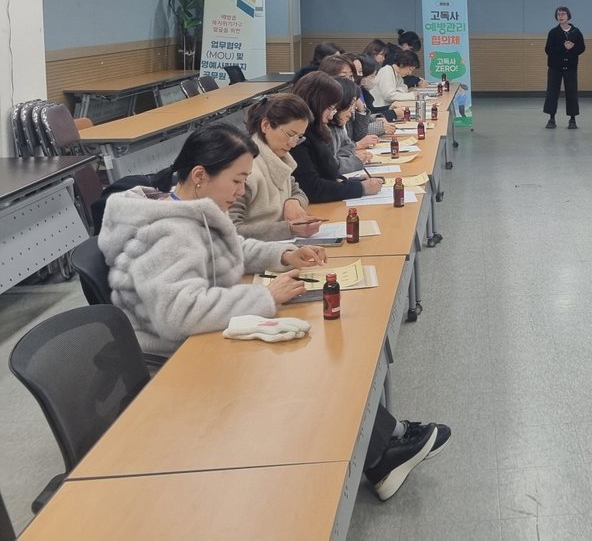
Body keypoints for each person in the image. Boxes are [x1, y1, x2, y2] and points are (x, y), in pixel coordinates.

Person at [98, 124, 449, 500]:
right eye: (237, 180)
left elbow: (235, 247)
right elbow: (179, 313)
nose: (241, 191)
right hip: (176, 359)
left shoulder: (190, 208)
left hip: (202, 337)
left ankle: (387, 445)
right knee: (306, 365)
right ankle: (383, 455)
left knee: (313, 355)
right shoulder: (166, 233)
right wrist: (264, 296)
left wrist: (284, 254)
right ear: (200, 175)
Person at [228, 93, 323, 241]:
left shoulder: (280, 159)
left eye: (299, 137)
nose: (293, 143)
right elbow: (231, 231)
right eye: (289, 134)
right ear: (266, 125)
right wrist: (288, 229)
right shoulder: (246, 169)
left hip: (276, 245)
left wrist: (293, 202)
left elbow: (298, 191)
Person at [290, 72, 385, 203]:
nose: (331, 116)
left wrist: (350, 182)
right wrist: (360, 188)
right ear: (315, 102)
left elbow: (328, 173)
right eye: (330, 108)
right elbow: (312, 188)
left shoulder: (317, 130)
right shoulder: (299, 137)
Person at [543, 5, 585, 129]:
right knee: (552, 92)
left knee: (572, 93)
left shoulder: (576, 32)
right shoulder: (553, 32)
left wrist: (573, 48)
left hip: (570, 68)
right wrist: (563, 47)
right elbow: (548, 49)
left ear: (568, 16)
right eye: (558, 14)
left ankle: (572, 120)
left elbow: (582, 48)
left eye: (563, 14)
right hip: (555, 68)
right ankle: (551, 119)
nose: (560, 16)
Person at [330, 77, 369, 174]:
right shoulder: (325, 128)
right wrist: (355, 161)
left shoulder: (338, 125)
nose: (352, 110)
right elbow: (330, 166)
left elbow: (348, 147)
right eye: (351, 104)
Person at [371, 49, 419, 113]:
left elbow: (404, 88)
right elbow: (389, 96)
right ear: (402, 64)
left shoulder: (398, 74)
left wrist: (396, 92)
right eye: (410, 69)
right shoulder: (386, 71)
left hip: (389, 108)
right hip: (380, 110)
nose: (410, 73)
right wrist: (412, 95)